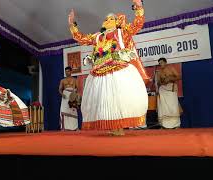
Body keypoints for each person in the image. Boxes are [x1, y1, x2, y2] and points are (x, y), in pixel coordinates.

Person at [68, 0, 149, 136]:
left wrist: (139, 7)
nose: (108, 20)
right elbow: (81, 38)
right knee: (105, 101)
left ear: (117, 21)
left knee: (119, 99)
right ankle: (112, 126)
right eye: (106, 19)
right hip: (100, 73)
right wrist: (72, 25)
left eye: (112, 18)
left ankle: (120, 127)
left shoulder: (122, 32)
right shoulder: (98, 36)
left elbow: (137, 24)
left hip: (119, 70)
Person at [156, 57, 182, 129]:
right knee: (163, 107)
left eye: (161, 63)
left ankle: (176, 125)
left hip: (171, 88)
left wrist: (170, 78)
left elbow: (179, 77)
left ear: (165, 62)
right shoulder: (159, 72)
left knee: (173, 106)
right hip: (163, 89)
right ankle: (164, 125)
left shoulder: (171, 68)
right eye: (159, 63)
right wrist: (162, 82)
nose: (160, 64)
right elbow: (158, 82)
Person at [59, 66, 79, 131]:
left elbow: (78, 88)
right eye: (66, 71)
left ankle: (75, 127)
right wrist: (62, 94)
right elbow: (59, 89)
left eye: (68, 71)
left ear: (71, 72)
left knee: (73, 111)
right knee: (64, 110)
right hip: (65, 96)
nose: (67, 72)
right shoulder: (62, 80)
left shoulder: (74, 80)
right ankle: (64, 127)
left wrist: (74, 93)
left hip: (72, 96)